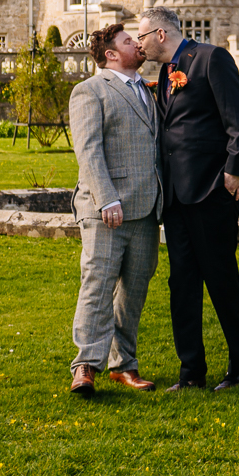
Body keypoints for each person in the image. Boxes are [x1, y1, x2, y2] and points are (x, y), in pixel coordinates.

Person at [136, 5, 239, 391]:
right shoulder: (163, 73)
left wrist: (235, 170)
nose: (138, 45)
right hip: (175, 195)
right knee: (182, 282)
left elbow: (238, 118)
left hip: (211, 190)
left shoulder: (211, 58)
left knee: (220, 278)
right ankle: (191, 373)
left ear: (159, 35)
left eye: (141, 37)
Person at [66, 22, 163, 397]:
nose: (138, 45)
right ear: (110, 54)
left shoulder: (148, 91)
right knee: (98, 285)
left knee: (134, 291)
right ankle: (85, 366)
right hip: (106, 209)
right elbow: (88, 149)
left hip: (146, 209)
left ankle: (123, 365)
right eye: (129, 41)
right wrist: (107, 198)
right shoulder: (89, 91)